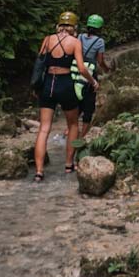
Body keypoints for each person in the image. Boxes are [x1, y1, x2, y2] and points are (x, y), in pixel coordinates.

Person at [32, 11, 98, 182]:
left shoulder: (47, 39)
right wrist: (92, 81)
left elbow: (40, 63)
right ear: (74, 27)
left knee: (44, 128)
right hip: (65, 84)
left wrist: (36, 86)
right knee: (73, 123)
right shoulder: (75, 42)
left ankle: (39, 171)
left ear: (58, 25)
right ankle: (69, 164)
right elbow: (82, 68)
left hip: (47, 85)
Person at [73, 13, 112, 154]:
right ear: (100, 28)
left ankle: (69, 132)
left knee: (75, 103)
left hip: (75, 71)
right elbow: (100, 61)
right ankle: (81, 139)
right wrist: (107, 69)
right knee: (88, 107)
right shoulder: (100, 42)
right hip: (89, 74)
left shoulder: (80, 37)